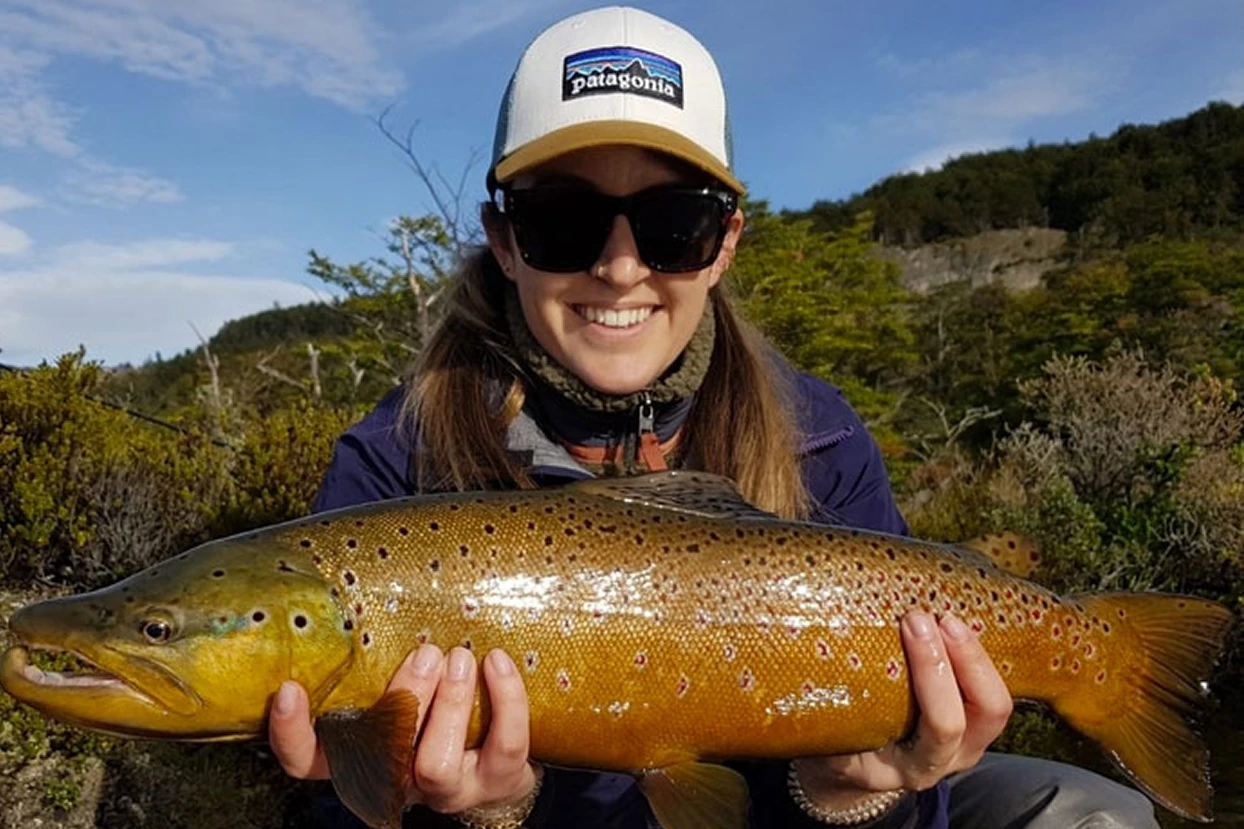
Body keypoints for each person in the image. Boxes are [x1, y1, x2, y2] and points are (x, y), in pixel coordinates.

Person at [267, 7, 1159, 828]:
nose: (620, 268)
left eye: (673, 223)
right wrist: (483, 814)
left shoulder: (822, 438)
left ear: (726, 243)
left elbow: (907, 804)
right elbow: (333, 808)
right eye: (565, 220)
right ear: (504, 241)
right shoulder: (390, 464)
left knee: (1085, 810)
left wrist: (848, 790)